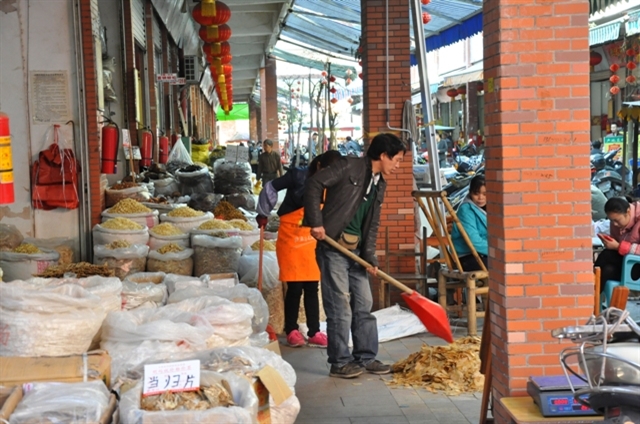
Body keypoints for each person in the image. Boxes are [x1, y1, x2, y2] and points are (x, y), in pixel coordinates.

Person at [304, 133, 407, 379]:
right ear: (383, 155)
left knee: (363, 305)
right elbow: (314, 184)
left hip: (357, 252)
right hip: (333, 248)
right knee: (340, 307)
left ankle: (366, 356)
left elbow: (371, 224)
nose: (398, 165)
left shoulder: (380, 182)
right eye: (397, 159)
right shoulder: (347, 166)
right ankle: (340, 362)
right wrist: (316, 222)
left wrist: (370, 256)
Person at [256, 151, 342, 348]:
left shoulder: (332, 183)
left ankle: (314, 331)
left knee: (312, 286)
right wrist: (263, 212)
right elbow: (271, 187)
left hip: (313, 238)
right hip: (291, 237)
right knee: (294, 287)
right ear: (319, 165)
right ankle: (292, 329)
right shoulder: (298, 175)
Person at [594, 197, 640, 292]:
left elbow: (617, 248)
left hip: (636, 265)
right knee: (607, 270)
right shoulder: (615, 223)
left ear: (628, 212)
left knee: (607, 254)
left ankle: (587, 290)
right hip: (626, 263)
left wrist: (618, 246)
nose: (614, 224)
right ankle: (593, 301)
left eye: (617, 220)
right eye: (611, 220)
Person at [452, 175, 488, 271]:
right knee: (510, 267)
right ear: (470, 192)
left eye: (485, 194)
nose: (481, 197)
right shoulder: (466, 210)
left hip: (484, 253)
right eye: (476, 193)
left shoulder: (489, 207)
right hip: (469, 257)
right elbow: (474, 242)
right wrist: (497, 251)